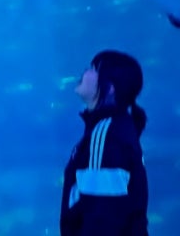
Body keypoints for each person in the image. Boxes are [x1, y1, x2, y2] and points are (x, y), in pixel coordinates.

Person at [60, 50, 149, 236]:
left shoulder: (106, 136)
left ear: (110, 88)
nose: (85, 72)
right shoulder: (114, 129)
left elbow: (101, 217)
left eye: (93, 69)